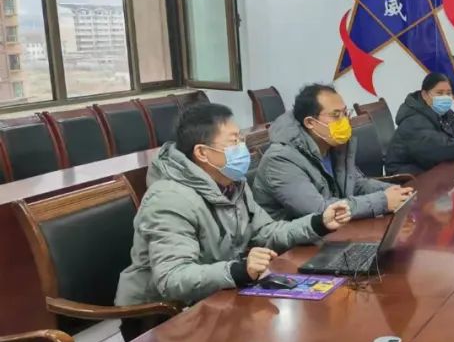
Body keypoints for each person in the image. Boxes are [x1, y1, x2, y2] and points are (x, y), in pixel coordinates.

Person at [115, 103, 351, 310]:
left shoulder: (232, 183)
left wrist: (318, 222)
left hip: (215, 297)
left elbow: (265, 232)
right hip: (161, 316)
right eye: (234, 141)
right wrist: (238, 270)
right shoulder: (169, 199)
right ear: (202, 153)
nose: (243, 148)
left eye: (241, 139)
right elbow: (172, 278)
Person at [253, 83, 413, 221]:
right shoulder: (280, 159)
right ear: (310, 122)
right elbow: (319, 209)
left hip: (332, 231)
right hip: (291, 243)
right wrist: (383, 201)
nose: (345, 121)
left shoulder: (333, 144)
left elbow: (356, 183)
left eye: (345, 113)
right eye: (336, 115)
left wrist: (397, 192)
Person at [385, 73, 454, 175]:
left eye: (448, 93)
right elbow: (440, 150)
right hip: (405, 176)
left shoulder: (442, 113)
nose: (445, 97)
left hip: (429, 169)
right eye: (439, 93)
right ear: (425, 95)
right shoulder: (413, 119)